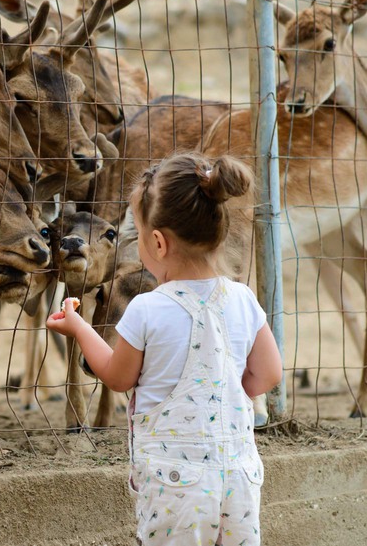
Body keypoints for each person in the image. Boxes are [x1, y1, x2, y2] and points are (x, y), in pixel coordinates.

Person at [47, 152, 282, 545]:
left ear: (156, 242)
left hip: (177, 484)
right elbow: (268, 375)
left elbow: (119, 377)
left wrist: (81, 329)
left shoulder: (148, 307)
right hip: (240, 475)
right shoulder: (243, 299)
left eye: (135, 234)